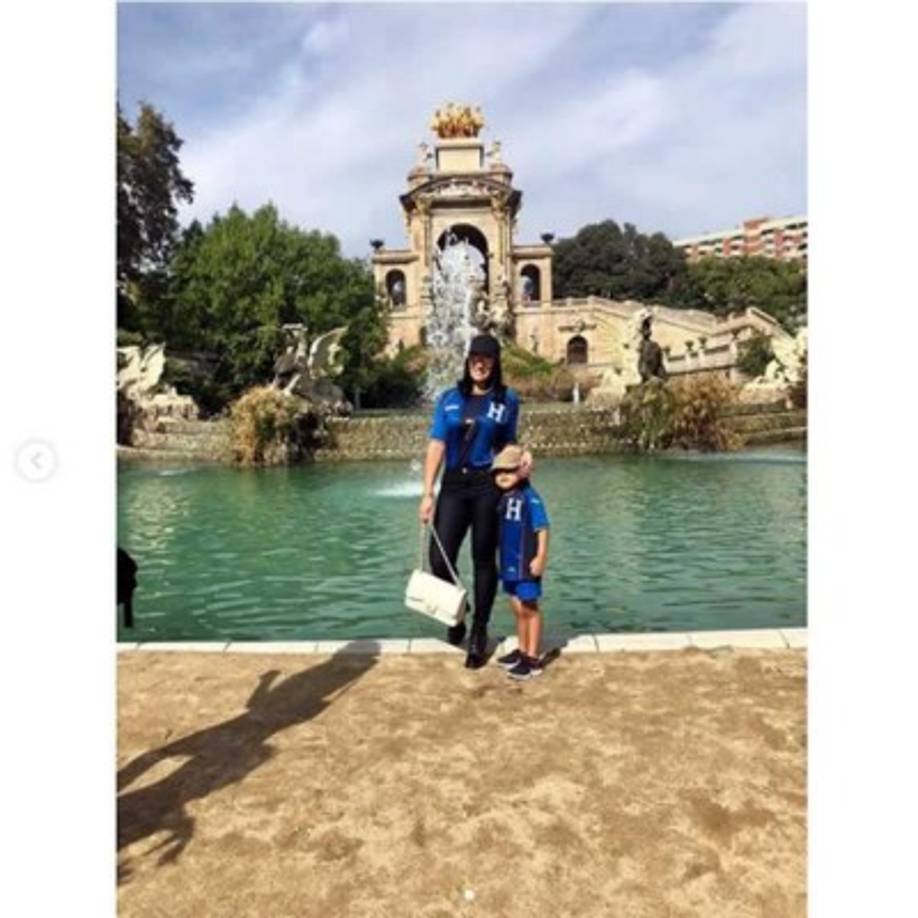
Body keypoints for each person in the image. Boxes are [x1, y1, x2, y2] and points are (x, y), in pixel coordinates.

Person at [419, 334, 528, 668]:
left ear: (495, 363)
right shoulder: (449, 399)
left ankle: (479, 630)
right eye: (474, 358)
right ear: (468, 362)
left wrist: (522, 461)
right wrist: (428, 492)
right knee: (439, 558)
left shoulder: (506, 400)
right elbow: (437, 445)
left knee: (483, 559)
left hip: (486, 486)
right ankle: (458, 614)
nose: (480, 364)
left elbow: (507, 444)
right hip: (452, 485)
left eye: (487, 358)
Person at [490, 445, 551, 681]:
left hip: (526, 562)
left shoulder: (530, 497)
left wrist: (541, 556)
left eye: (509, 470)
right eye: (498, 472)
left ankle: (532, 658)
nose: (502, 476)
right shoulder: (505, 496)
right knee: (517, 608)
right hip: (508, 563)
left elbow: (542, 527)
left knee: (529, 608)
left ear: (523, 470)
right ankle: (523, 650)